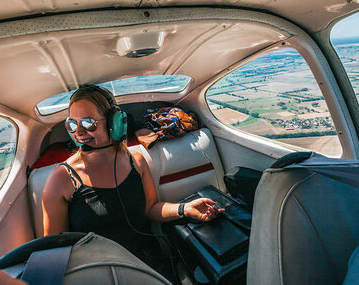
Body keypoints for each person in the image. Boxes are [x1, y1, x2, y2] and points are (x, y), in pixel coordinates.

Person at [42, 85, 224, 278]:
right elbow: (56, 249)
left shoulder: (136, 162)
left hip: (149, 267)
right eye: (72, 124)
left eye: (88, 123)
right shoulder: (61, 179)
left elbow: (151, 208)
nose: (78, 132)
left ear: (114, 123)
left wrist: (184, 209)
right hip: (99, 276)